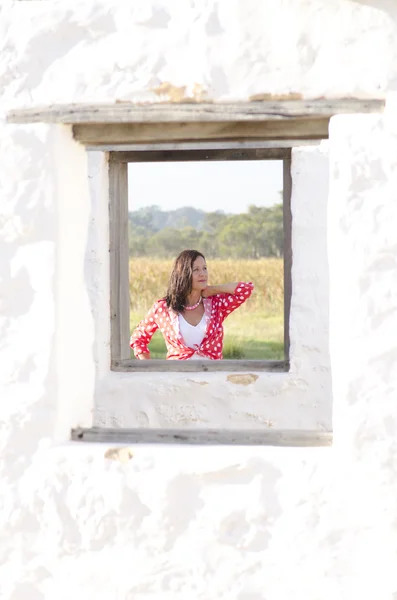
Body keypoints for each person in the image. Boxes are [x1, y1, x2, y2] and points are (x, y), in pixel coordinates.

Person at [130, 249, 254, 360]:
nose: (203, 274)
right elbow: (138, 339)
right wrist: (150, 370)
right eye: (196, 270)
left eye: (204, 268)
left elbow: (245, 289)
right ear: (183, 274)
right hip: (177, 381)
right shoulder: (163, 308)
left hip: (212, 380)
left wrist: (212, 290)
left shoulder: (216, 304)